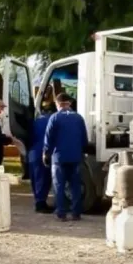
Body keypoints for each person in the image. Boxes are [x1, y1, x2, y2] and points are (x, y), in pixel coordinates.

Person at [43, 93, 89, 222]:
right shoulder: (79, 118)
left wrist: (46, 153)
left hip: (59, 157)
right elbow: (84, 138)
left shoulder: (55, 117)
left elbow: (48, 138)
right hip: (75, 157)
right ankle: (76, 213)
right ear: (69, 103)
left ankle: (61, 213)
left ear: (58, 104)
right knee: (75, 185)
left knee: (59, 186)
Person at [28, 107, 54, 213]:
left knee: (35, 177)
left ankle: (38, 200)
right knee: (44, 178)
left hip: (33, 151)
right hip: (43, 152)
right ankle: (41, 204)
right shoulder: (52, 119)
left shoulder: (36, 120)